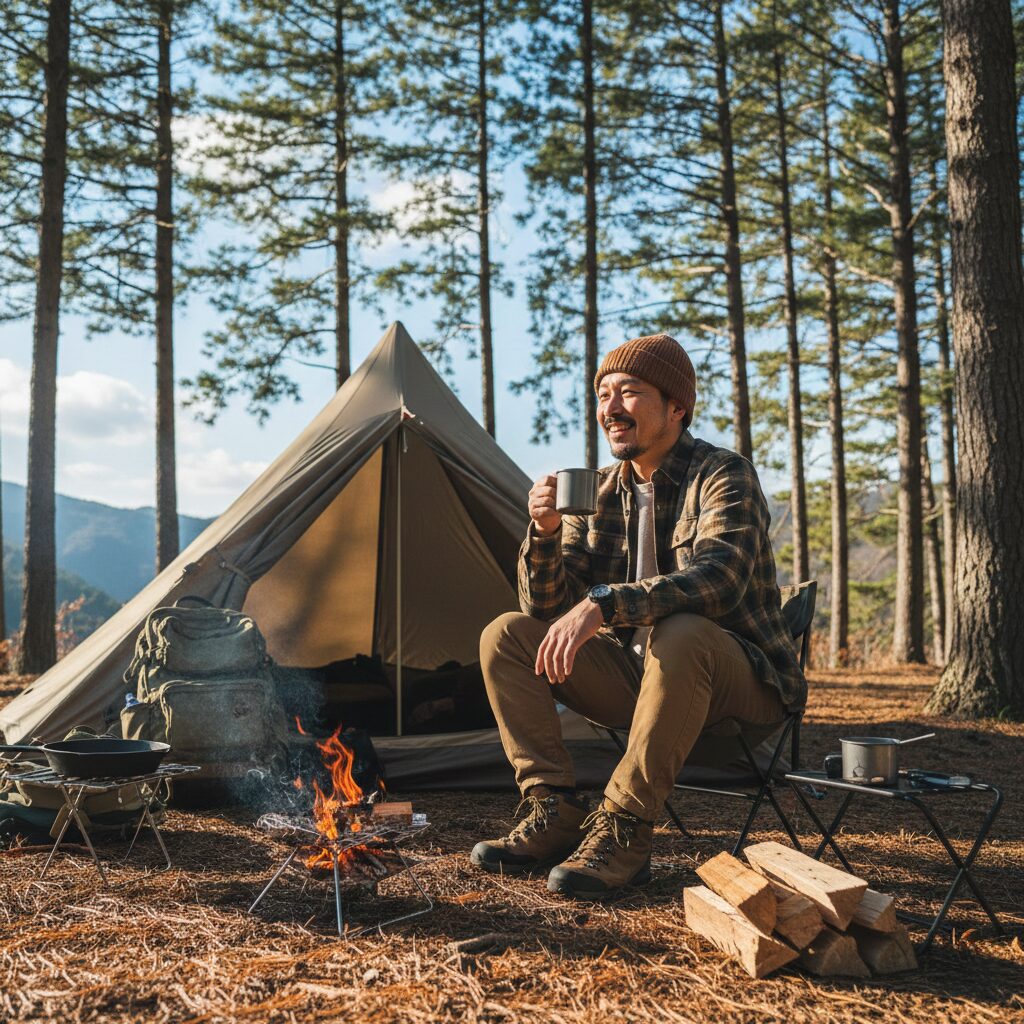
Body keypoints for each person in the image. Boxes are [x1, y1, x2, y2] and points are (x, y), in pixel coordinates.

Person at [471, 333, 805, 899]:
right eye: (603, 394)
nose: (611, 408)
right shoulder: (597, 492)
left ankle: (625, 826)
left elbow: (717, 582)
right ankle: (552, 808)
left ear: (676, 406)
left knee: (683, 630)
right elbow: (546, 612)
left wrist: (603, 604)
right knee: (506, 635)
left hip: (741, 693)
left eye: (629, 392)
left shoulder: (723, 476)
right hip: (645, 687)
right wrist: (545, 534)